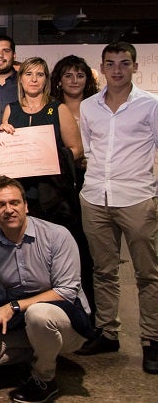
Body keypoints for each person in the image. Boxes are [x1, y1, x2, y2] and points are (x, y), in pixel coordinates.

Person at [0, 176, 93, 403]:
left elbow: (65, 291)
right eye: (0, 205)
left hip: (66, 319)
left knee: (39, 314)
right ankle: (39, 354)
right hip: (22, 322)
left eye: (14, 202)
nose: (8, 210)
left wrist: (13, 306)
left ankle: (44, 378)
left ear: (26, 205)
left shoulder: (57, 235)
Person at [76, 42, 158, 375]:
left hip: (136, 197)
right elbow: (88, 150)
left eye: (124, 63)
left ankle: (152, 340)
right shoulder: (89, 107)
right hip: (95, 197)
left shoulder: (150, 105)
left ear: (135, 67)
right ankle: (108, 332)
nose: (117, 70)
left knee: (148, 274)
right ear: (102, 68)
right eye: (110, 64)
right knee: (103, 271)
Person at [0, 57, 82, 224]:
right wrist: (1, 138)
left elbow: (77, 150)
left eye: (40, 74)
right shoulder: (11, 109)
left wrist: (50, 157)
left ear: (46, 80)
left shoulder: (58, 108)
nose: (34, 79)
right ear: (20, 79)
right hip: (19, 191)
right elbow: (4, 151)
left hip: (52, 193)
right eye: (28, 74)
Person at [49, 54, 99, 314]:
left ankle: (94, 314)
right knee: (67, 248)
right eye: (68, 75)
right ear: (59, 80)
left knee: (91, 252)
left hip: (95, 183)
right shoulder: (51, 109)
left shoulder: (98, 107)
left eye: (80, 75)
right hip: (62, 187)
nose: (74, 80)